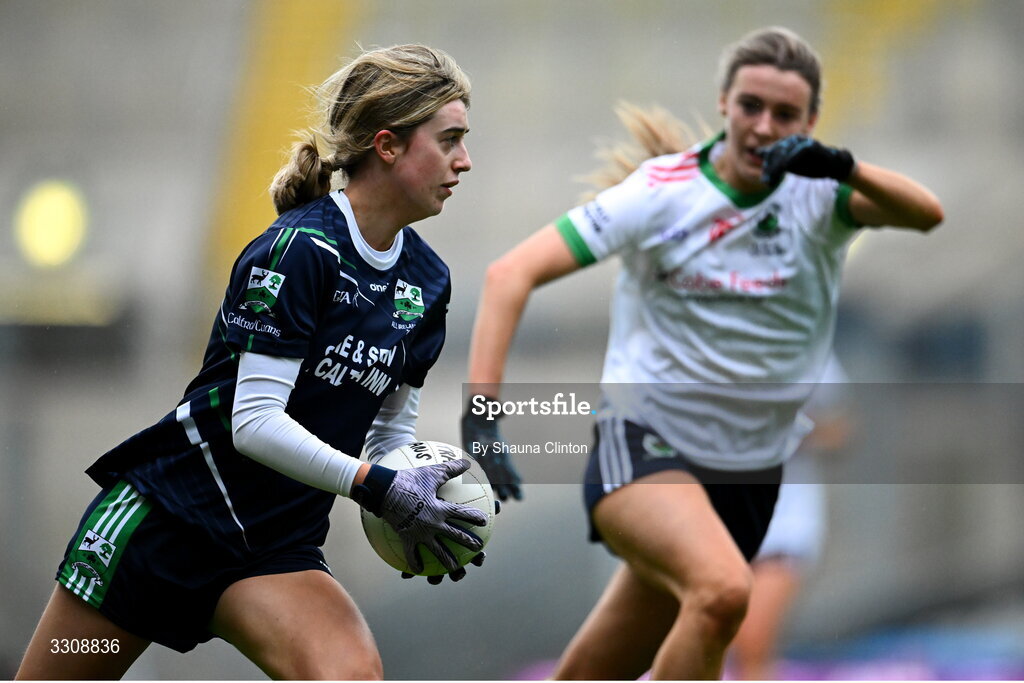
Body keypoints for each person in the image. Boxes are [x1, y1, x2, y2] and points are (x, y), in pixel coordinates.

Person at [461, 26, 942, 680]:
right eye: (751, 105)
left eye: (785, 113)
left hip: (748, 472)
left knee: (606, 662)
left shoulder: (821, 197)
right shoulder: (662, 193)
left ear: (810, 122)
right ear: (724, 103)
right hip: (644, 445)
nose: (764, 125)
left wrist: (842, 165)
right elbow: (508, 274)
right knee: (722, 595)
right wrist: (482, 413)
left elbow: (926, 214)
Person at [17, 43, 485, 681]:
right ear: (387, 145)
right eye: (450, 139)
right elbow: (255, 422)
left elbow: (389, 434)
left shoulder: (427, 280)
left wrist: (412, 504)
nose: (465, 160)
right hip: (161, 533)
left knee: (349, 676)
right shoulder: (298, 252)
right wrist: (377, 487)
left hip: (273, 549)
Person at [729, 354, 853, 680]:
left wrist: (786, 432)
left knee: (752, 640)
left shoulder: (808, 346)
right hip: (710, 519)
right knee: (710, 637)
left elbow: (839, 430)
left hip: (784, 525)